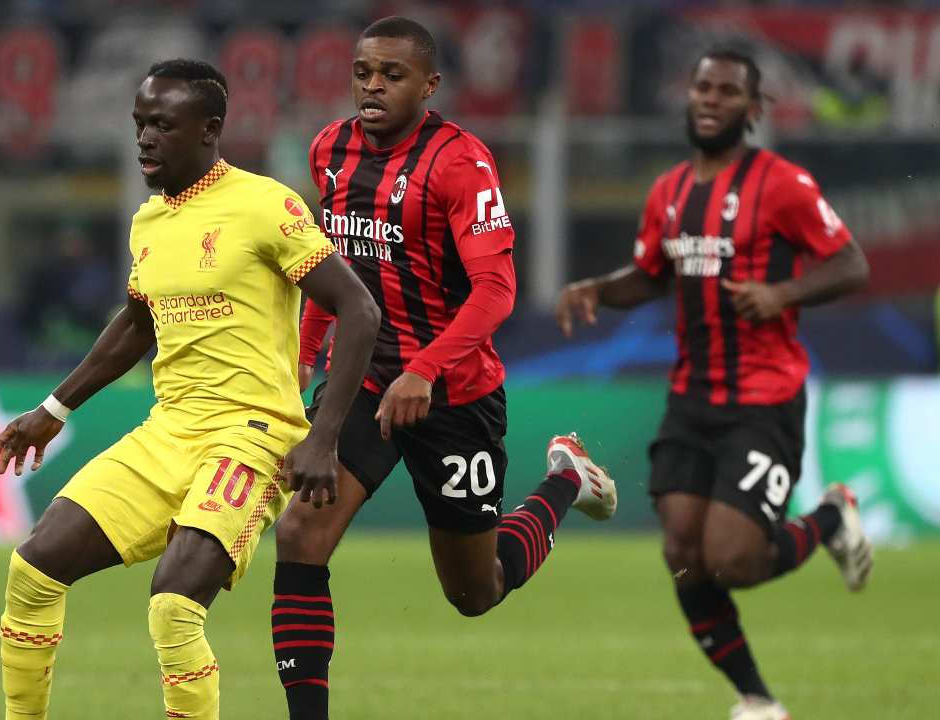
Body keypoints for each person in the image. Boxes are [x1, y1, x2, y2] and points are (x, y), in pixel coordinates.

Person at [0, 58, 379, 720]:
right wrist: (54, 409)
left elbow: (359, 310)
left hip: (251, 435)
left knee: (173, 606)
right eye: (139, 123)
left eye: (162, 125)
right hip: (169, 429)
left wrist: (323, 434)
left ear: (209, 130)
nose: (144, 138)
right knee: (33, 569)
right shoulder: (151, 222)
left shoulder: (266, 206)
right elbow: (136, 326)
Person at [270, 17, 618, 719]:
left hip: (453, 393)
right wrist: (300, 362)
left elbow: (498, 290)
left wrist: (425, 369)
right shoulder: (328, 150)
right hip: (364, 384)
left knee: (475, 592)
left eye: (392, 75)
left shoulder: (462, 163)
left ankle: (563, 483)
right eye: (364, 71)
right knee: (300, 533)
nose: (373, 86)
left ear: (429, 86)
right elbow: (330, 276)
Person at [556, 47, 873, 720]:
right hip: (690, 398)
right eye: (702, 86)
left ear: (754, 110)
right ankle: (757, 700)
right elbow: (650, 273)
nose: (711, 98)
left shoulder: (782, 184)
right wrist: (597, 288)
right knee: (681, 552)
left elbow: (850, 263)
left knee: (733, 559)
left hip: (764, 400)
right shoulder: (669, 191)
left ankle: (831, 517)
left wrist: (783, 292)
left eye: (729, 91)